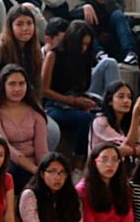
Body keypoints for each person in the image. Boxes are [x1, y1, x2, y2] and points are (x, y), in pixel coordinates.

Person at [42, 20, 104, 157]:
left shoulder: (84, 58)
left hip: (75, 101)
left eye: (87, 44)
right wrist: (73, 101)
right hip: (53, 106)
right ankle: (78, 159)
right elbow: (44, 90)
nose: (84, 48)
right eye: (81, 44)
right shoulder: (53, 55)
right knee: (86, 119)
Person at [0, 65, 49, 189]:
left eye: (21, 84)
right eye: (12, 84)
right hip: (7, 161)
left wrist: (45, 170)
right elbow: (4, 146)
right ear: (3, 86)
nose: (17, 89)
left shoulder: (35, 109)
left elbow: (42, 150)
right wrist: (34, 170)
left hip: (33, 163)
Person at [0, 2, 45, 99]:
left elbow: (38, 84)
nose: (25, 28)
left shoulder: (35, 49)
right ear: (10, 27)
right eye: (19, 24)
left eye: (29, 23)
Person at [72, 0, 138, 62]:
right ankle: (99, 54)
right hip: (96, 45)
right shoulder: (86, 2)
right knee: (83, 23)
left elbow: (115, 12)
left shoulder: (118, 0)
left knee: (118, 15)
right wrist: (84, 8)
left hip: (115, 43)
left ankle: (130, 53)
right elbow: (71, 15)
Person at [91, 81, 140, 160]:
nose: (126, 100)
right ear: (110, 101)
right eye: (121, 96)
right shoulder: (100, 121)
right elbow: (128, 145)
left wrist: (131, 150)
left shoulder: (128, 121)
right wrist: (136, 116)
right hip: (99, 166)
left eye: (129, 97)